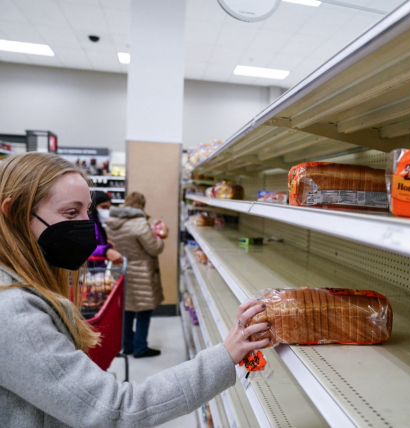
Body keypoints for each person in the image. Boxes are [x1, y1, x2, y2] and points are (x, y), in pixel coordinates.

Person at [0, 152, 270, 427]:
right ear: (14, 214)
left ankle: (133, 345)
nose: (88, 225)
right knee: (141, 313)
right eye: (71, 212)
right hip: (143, 274)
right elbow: (117, 409)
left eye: (88, 212)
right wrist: (226, 353)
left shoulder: (25, 287)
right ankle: (139, 346)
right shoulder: (13, 312)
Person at [104, 191, 164, 358]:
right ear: (141, 205)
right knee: (144, 310)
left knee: (126, 309)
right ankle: (140, 348)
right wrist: (159, 237)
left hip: (120, 269)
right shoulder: (139, 222)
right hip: (141, 272)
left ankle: (126, 345)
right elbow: (154, 248)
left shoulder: (111, 221)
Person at [89, 190, 122, 263]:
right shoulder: (90, 224)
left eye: (108, 208)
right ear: (93, 205)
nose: (106, 211)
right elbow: (84, 248)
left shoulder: (96, 223)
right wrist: (105, 250)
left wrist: (103, 242)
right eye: (103, 207)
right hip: (91, 269)